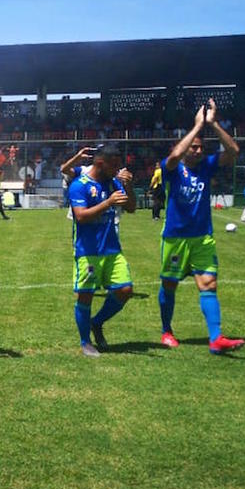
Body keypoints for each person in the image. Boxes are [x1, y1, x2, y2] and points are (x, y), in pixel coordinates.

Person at [157, 99, 244, 354]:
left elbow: (234, 152)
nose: (197, 151)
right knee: (169, 285)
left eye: (200, 148)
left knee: (209, 284)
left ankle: (216, 339)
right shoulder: (171, 169)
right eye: (193, 147)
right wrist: (196, 127)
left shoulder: (206, 166)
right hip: (175, 238)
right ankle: (166, 331)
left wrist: (212, 124)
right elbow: (174, 156)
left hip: (202, 237)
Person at [67, 144, 137, 357]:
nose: (117, 170)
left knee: (125, 290)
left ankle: (96, 323)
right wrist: (108, 202)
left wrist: (129, 186)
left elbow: (131, 207)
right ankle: (85, 341)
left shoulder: (114, 183)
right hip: (88, 250)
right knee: (86, 296)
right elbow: (81, 216)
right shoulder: (80, 185)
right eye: (113, 166)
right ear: (100, 163)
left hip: (112, 249)